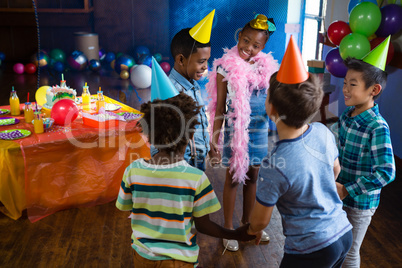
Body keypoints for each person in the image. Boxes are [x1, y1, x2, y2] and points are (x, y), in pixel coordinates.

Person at [247, 36, 353, 268]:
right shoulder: (322, 132)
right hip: (343, 233)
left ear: (271, 107)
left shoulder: (274, 164)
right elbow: (335, 169)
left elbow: (259, 221)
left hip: (311, 249)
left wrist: (252, 229)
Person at [116, 92, 255, 267]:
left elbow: (126, 206)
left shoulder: (133, 170)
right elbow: (203, 225)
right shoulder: (196, 178)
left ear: (149, 135)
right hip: (180, 260)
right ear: (190, 136)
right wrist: (235, 235)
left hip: (143, 256)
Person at [206, 14, 279, 251]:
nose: (249, 48)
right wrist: (214, 140)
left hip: (259, 131)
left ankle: (248, 225)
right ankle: (229, 229)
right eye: (245, 41)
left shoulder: (265, 67)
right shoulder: (224, 67)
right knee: (233, 178)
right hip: (235, 133)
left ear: (263, 47)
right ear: (239, 36)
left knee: (253, 177)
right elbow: (218, 106)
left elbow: (273, 100)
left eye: (256, 45)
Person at [330, 38, 396, 268]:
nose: (345, 89)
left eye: (353, 84)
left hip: (360, 203)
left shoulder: (377, 126)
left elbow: (386, 173)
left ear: (374, 90)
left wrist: (348, 189)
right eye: (345, 82)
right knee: (335, 245)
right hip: (337, 194)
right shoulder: (347, 116)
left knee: (350, 252)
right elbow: (334, 147)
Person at [151, 10, 220, 171]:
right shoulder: (169, 91)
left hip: (197, 163)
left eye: (207, 61)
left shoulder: (194, 86)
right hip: (179, 166)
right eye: (201, 61)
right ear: (181, 59)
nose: (205, 66)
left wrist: (208, 147)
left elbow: (198, 124)